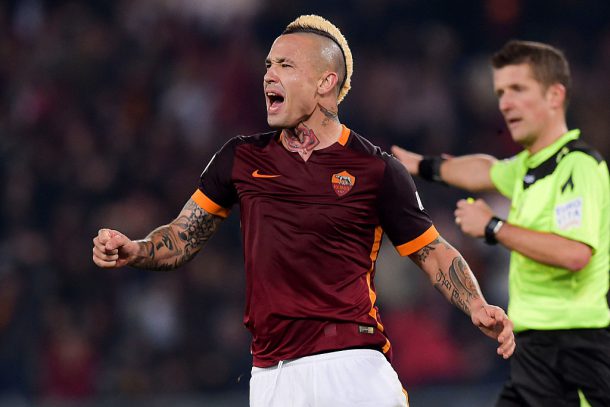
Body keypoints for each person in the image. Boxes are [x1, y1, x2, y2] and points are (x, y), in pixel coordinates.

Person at [92, 15, 515, 407]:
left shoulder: (376, 169)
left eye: (286, 65)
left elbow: (431, 251)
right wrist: (136, 249)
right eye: (268, 65)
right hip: (272, 376)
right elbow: (183, 236)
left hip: (352, 365)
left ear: (325, 82)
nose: (268, 75)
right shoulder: (239, 159)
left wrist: (476, 305)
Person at [392, 40, 610, 406]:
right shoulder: (527, 167)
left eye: (518, 90)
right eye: (501, 93)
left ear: (554, 96)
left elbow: (575, 254)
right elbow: (483, 170)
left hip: (575, 348)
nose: (506, 104)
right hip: (534, 348)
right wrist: (422, 166)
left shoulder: (578, 166)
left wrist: (494, 227)